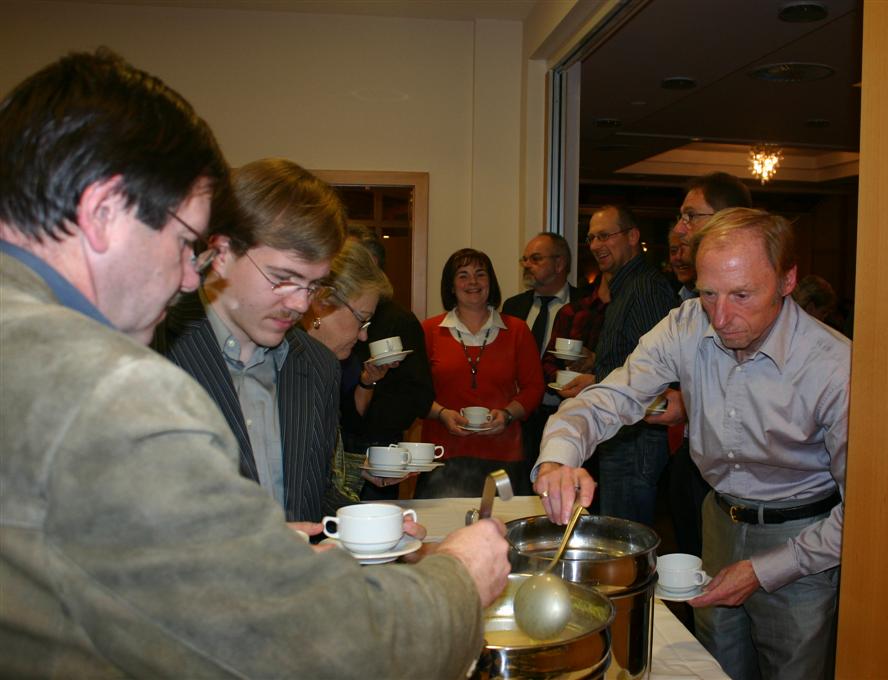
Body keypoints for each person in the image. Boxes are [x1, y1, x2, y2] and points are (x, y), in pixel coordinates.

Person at [0, 48, 509, 678]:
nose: (193, 274)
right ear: (103, 212)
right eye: (188, 243)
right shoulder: (115, 388)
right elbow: (298, 641)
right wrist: (460, 577)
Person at [534, 208, 850, 680]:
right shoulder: (684, 325)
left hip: (805, 539)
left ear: (787, 281)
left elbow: (863, 510)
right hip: (718, 521)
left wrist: (764, 570)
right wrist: (558, 459)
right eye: (708, 294)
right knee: (713, 666)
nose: (721, 318)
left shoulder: (834, 365)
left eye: (742, 295)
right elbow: (610, 397)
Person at [153, 157, 344, 523]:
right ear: (222, 252)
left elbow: (313, 499)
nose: (301, 304)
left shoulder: (319, 366)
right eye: (283, 278)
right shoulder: (153, 351)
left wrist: (371, 528)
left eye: (314, 285)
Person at [657, 172, 753, 559]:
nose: (681, 228)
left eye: (690, 215)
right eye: (710, 294)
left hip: (761, 494)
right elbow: (628, 383)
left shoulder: (804, 338)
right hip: (701, 465)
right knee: (701, 572)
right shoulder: (686, 314)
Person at [563, 205, 677, 525]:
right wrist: (594, 372)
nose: (597, 245)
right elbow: (628, 360)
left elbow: (657, 370)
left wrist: (596, 380)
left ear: (632, 237)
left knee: (625, 536)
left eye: (605, 236)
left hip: (637, 435)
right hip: (623, 430)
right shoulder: (626, 286)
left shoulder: (644, 288)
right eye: (591, 238)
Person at [417, 248, 545, 497]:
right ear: (451, 286)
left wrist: (507, 415)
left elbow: (534, 388)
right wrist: (442, 414)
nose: (473, 282)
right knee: (445, 533)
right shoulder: (429, 330)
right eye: (463, 275)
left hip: (504, 454)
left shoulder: (517, 330)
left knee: (502, 529)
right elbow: (415, 393)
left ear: (491, 282)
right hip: (443, 454)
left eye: (480, 274)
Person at [296, 240, 414, 505]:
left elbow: (315, 469)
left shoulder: (321, 366)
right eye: (361, 319)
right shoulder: (288, 368)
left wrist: (361, 468)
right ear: (321, 302)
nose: (363, 335)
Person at [344, 226, 435, 501]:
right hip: (334, 448)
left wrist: (377, 431)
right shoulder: (321, 317)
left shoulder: (400, 320)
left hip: (379, 448)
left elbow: (420, 395)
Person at [501, 232, 581, 490]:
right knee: (521, 491)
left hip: (567, 415)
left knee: (561, 489)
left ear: (559, 264)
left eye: (535, 259)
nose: (526, 265)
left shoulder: (586, 306)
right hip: (522, 420)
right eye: (524, 259)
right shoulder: (513, 307)